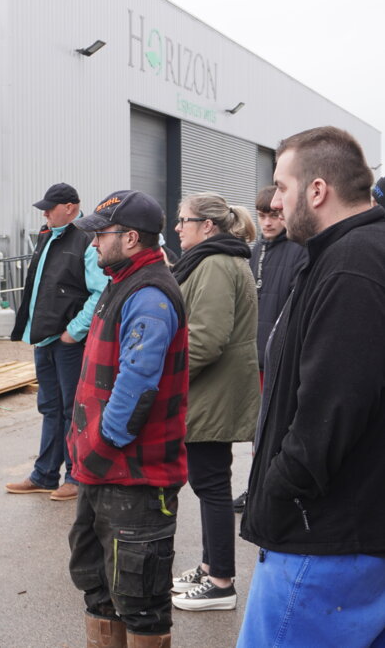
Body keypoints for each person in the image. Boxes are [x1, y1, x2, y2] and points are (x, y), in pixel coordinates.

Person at [237, 127, 385, 646]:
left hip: (322, 543)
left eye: (282, 187)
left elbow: (329, 413)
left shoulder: (353, 265)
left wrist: (275, 497)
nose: (275, 202)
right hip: (345, 534)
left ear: (317, 190)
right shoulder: (343, 254)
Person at [67, 190, 189, 648]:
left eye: (102, 234)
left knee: (140, 602)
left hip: (134, 476)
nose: (94, 242)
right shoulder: (121, 281)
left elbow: (136, 387)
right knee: (99, 590)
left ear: (131, 238)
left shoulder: (150, 296)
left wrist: (99, 447)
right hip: (103, 471)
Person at [169, 192, 260, 612]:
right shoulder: (214, 259)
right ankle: (210, 567)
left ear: (207, 225)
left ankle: (221, 582)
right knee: (210, 482)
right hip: (212, 388)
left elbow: (206, 339)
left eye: (183, 220)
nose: (177, 227)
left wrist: (169, 382)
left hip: (212, 390)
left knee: (211, 485)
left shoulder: (217, 264)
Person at [5, 183, 108, 502]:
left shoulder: (86, 240)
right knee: (50, 407)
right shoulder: (48, 235)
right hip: (46, 338)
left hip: (68, 342)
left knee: (72, 409)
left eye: (50, 208)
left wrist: (74, 331)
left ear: (71, 207)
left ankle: (76, 476)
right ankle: (45, 475)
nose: (45, 213)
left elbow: (101, 291)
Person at [232, 185, 305, 513]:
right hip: (253, 359)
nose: (268, 222)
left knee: (277, 428)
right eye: (262, 216)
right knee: (257, 430)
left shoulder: (299, 250)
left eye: (274, 215)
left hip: (280, 360)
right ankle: (255, 487)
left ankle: (271, 492)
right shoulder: (255, 250)